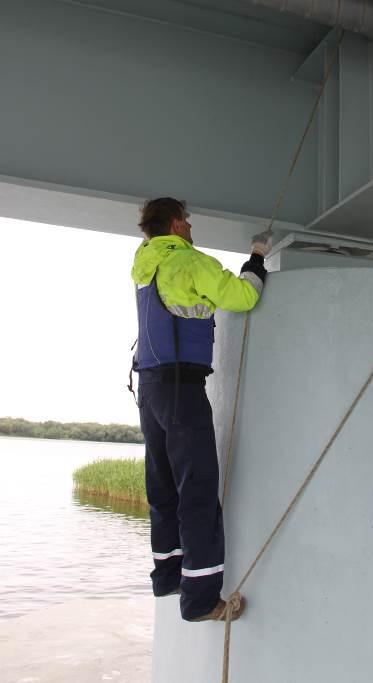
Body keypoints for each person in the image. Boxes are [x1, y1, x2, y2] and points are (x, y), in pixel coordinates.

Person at [130, 197, 272, 622]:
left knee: (164, 488)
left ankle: (169, 576)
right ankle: (200, 600)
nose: (192, 228)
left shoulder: (143, 261)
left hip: (149, 388)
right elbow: (243, 297)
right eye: (188, 222)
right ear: (176, 224)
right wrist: (258, 258)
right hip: (181, 389)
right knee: (198, 492)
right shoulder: (189, 262)